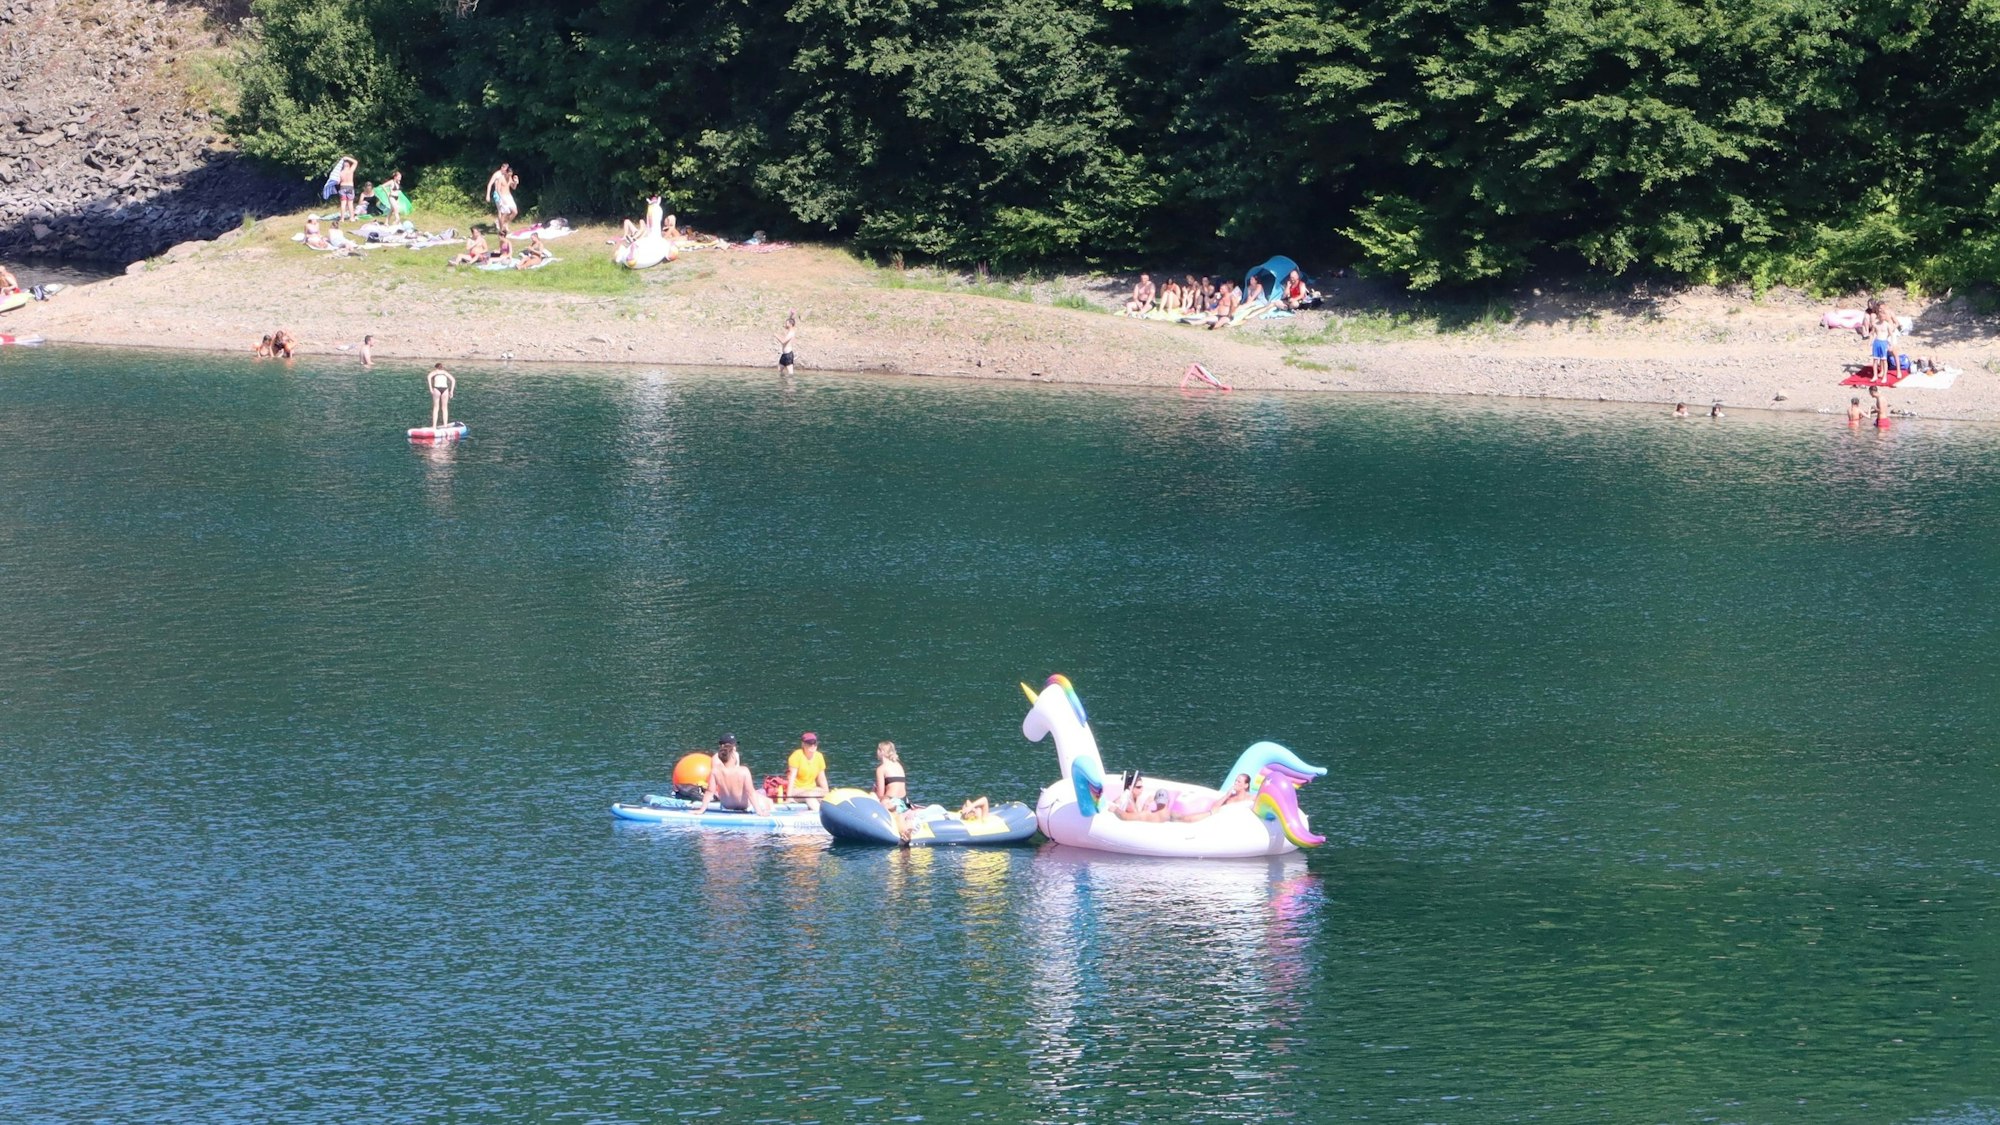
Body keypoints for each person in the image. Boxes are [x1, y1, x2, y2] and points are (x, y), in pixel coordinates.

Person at [691, 737, 775, 816]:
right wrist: (759, 811)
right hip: (744, 805)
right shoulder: (744, 770)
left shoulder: (715, 771)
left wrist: (702, 810)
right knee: (769, 801)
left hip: (726, 806)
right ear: (732, 757)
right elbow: (750, 792)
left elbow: (709, 792)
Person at [1174, 773, 1253, 823]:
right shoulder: (1230, 798)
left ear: (1246, 785)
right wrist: (1226, 795)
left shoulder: (1251, 798)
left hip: (1223, 820)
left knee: (1187, 819)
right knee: (1184, 819)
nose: (1235, 783)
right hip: (1213, 816)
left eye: (1238, 782)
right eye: (1235, 780)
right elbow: (1214, 807)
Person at [786, 732, 830, 808]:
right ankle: (818, 814)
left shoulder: (819, 756)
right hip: (797, 790)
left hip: (812, 789)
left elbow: (822, 779)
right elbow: (791, 778)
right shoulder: (796, 755)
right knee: (809, 795)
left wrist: (827, 794)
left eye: (814, 743)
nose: (812, 746)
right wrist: (789, 797)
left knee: (828, 794)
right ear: (803, 744)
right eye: (809, 743)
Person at [873, 741, 908, 811]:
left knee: (873, 795)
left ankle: (891, 808)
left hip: (890, 800)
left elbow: (880, 794)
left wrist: (874, 792)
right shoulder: (899, 765)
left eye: (878, 749)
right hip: (904, 801)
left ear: (881, 752)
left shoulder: (881, 769)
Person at [487, 163, 520, 234]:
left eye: (511, 174)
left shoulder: (510, 178)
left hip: (509, 196)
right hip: (502, 196)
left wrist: (516, 182)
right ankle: (501, 229)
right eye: (508, 174)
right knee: (504, 213)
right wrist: (502, 199)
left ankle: (506, 223)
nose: (509, 176)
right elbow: (498, 190)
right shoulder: (500, 178)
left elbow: (513, 187)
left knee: (515, 212)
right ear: (506, 172)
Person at [427, 362, 455, 428]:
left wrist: (431, 388)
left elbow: (428, 377)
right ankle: (445, 425)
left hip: (437, 388)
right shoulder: (445, 372)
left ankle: (434, 426)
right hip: (445, 389)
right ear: (442, 367)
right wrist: (451, 391)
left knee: (436, 408)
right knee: (445, 408)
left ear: (436, 367)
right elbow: (453, 380)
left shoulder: (434, 372)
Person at [334, 156, 358, 222]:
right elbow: (355, 162)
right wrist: (347, 157)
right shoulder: (351, 170)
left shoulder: (340, 173)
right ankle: (352, 218)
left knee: (343, 204)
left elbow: (338, 182)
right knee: (350, 203)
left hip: (342, 187)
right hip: (350, 187)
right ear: (349, 165)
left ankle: (342, 219)